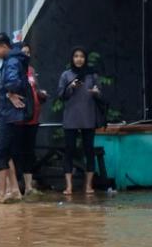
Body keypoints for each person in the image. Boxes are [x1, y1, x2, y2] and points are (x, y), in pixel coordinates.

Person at [57, 46, 102, 195]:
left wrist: (96, 92)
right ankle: (68, 186)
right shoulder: (66, 74)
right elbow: (60, 95)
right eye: (76, 56)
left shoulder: (92, 75)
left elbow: (99, 94)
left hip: (88, 117)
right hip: (71, 117)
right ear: (72, 58)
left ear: (85, 58)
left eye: (82, 56)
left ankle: (88, 185)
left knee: (89, 150)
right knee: (69, 150)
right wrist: (71, 87)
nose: (79, 59)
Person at [0, 32, 27, 203]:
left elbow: (12, 82)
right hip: (11, 114)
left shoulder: (11, 61)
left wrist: (10, 92)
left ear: (4, 46)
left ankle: (1, 193)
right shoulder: (12, 60)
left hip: (8, 115)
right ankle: (15, 191)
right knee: (8, 153)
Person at [15, 41, 48, 195]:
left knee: (29, 151)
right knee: (17, 151)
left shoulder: (31, 70)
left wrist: (42, 94)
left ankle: (28, 186)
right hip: (18, 119)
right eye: (23, 52)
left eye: (28, 53)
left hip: (33, 118)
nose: (26, 55)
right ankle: (15, 185)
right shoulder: (13, 70)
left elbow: (36, 89)